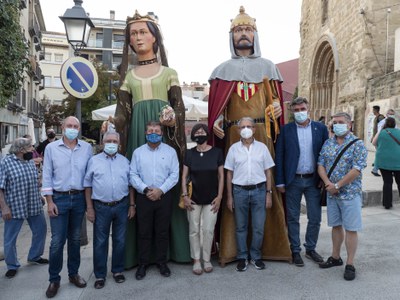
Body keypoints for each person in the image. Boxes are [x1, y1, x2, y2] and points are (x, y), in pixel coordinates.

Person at [207, 6, 291, 265]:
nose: (243, 34)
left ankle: (271, 248)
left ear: (255, 34)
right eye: (238, 30)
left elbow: (275, 101)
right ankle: (233, 251)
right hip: (232, 135)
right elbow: (218, 107)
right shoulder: (221, 70)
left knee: (266, 185)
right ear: (231, 36)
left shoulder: (268, 66)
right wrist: (218, 120)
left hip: (263, 135)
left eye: (248, 29)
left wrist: (278, 107)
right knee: (234, 186)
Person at [114, 10, 190, 268]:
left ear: (155, 37)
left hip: (163, 136)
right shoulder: (128, 76)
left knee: (166, 184)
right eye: (133, 33)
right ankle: (138, 256)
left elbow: (179, 107)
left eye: (143, 31)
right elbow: (122, 114)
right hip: (138, 135)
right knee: (138, 182)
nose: (138, 37)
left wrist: (173, 117)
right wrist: (112, 124)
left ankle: (172, 253)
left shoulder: (169, 72)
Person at [41, 116, 93, 298]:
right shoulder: (51, 148)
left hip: (78, 199)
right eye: (69, 125)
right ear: (62, 127)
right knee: (57, 242)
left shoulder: (87, 148)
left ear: (79, 128)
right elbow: (46, 175)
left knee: (75, 240)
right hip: (59, 199)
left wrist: (89, 204)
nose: (72, 128)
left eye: (75, 126)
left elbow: (89, 177)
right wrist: (49, 202)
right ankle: (54, 279)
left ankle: (73, 274)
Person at [275, 97, 329, 267]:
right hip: (293, 181)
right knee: (293, 218)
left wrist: (323, 179)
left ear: (308, 108)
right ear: (292, 111)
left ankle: (311, 249)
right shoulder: (286, 130)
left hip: (313, 181)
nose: (300, 112)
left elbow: (325, 155)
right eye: (296, 110)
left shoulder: (320, 128)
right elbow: (280, 156)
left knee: (315, 217)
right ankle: (295, 250)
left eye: (302, 109)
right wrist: (280, 181)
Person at [318, 112, 367, 281]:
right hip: (332, 194)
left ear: (349, 125)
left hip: (350, 194)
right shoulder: (328, 143)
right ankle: (335, 257)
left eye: (341, 122)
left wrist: (337, 185)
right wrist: (327, 184)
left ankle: (350, 263)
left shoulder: (358, 144)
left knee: (351, 229)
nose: (337, 125)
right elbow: (321, 164)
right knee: (336, 226)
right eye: (335, 122)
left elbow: (357, 169)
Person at [84, 130, 136, 289]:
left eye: (115, 142)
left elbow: (130, 185)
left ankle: (117, 271)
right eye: (109, 141)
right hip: (101, 207)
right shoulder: (93, 161)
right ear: (102, 143)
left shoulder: (125, 161)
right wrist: (90, 208)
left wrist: (132, 205)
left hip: (122, 205)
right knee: (100, 242)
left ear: (119, 145)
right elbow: (87, 185)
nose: (112, 144)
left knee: (120, 241)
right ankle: (100, 275)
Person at [130, 121, 179, 280]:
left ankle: (162, 262)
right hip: (143, 197)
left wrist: (160, 190)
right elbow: (133, 175)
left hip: (164, 197)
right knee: (143, 232)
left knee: (162, 232)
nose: (154, 133)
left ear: (162, 133)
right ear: (145, 133)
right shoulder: (138, 152)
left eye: (157, 131)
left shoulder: (170, 152)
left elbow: (174, 175)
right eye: (150, 130)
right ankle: (142, 264)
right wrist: (145, 189)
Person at [224, 117, 275, 271]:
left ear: (254, 129)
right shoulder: (233, 149)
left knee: (258, 227)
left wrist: (269, 193)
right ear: (238, 130)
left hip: (259, 191)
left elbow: (268, 172)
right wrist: (229, 196)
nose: (246, 129)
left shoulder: (262, 148)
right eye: (242, 127)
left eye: (249, 126)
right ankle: (242, 257)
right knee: (241, 227)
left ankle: (256, 256)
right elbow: (228, 174)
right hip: (239, 191)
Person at [0, 138, 48, 279]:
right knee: (10, 238)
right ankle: (12, 265)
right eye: (30, 148)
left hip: (33, 203)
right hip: (14, 206)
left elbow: (33, 181)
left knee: (41, 230)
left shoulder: (29, 162)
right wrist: (4, 207)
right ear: (20, 150)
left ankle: (34, 256)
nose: (32, 150)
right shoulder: (5, 163)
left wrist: (39, 196)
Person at [182, 123, 224, 275]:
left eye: (202, 132)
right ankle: (196, 260)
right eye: (196, 132)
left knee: (208, 230)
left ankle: (206, 259)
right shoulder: (189, 153)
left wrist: (220, 197)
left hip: (212, 199)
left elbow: (221, 176)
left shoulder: (217, 152)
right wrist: (185, 196)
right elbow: (184, 176)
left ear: (207, 134)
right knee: (194, 230)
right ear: (193, 135)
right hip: (193, 199)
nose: (200, 134)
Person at [372, 117, 400, 209]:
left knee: (387, 182)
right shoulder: (399, 131)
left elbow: (373, 142)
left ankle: (387, 204)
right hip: (398, 160)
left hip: (383, 160)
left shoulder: (382, 132)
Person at [371, 105, 385, 176]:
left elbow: (383, 128)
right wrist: (373, 137)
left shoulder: (381, 117)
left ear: (376, 110)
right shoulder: (376, 118)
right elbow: (375, 129)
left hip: (379, 138)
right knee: (379, 152)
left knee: (379, 153)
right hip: (376, 137)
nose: (372, 111)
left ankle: (375, 166)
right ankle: (376, 165)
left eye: (373, 110)